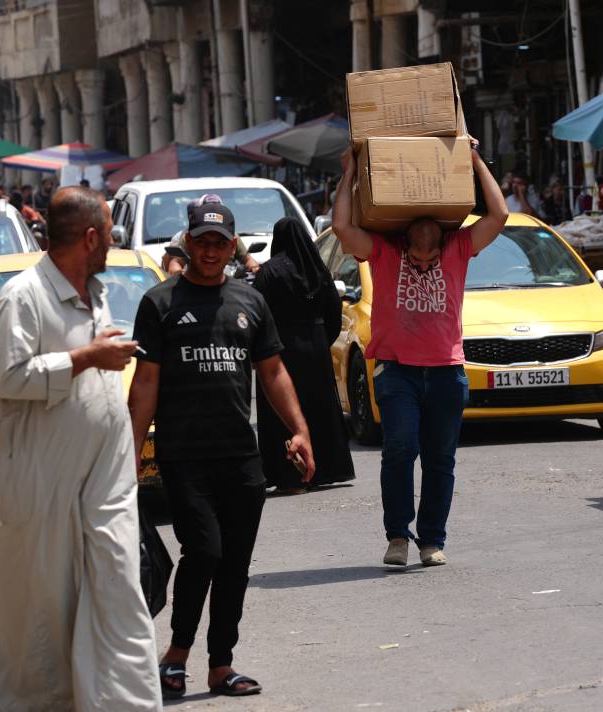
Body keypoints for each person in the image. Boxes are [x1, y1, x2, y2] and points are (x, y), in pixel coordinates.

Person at [0, 187, 161, 711]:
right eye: (111, 235)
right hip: (41, 493)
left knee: (118, 597)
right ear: (91, 236)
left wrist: (97, 354)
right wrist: (87, 357)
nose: (114, 244)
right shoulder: (23, 296)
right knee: (45, 621)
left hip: (101, 487)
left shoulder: (95, 292)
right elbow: (9, 375)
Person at [129, 201, 315, 699]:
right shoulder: (160, 303)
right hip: (184, 454)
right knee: (204, 550)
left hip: (241, 455)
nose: (211, 250)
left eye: (220, 242)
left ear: (233, 247)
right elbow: (145, 384)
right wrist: (127, 452)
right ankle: (176, 653)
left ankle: (220, 665)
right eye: (202, 241)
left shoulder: (249, 303)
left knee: (234, 562)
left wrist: (299, 429)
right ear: (188, 244)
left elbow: (273, 372)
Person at [332, 139, 508, 567]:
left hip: (447, 371)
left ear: (442, 243)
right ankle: (397, 536)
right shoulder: (385, 252)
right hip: (397, 372)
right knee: (398, 450)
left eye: (432, 258)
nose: (426, 264)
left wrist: (472, 160)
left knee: (440, 459)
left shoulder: (460, 248)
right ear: (405, 241)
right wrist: (350, 170)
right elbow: (341, 227)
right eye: (419, 256)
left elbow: (499, 214)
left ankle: (432, 540)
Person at [254, 217, 354, 494]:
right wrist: (321, 340)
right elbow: (334, 312)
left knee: (283, 411)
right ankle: (323, 471)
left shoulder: (270, 272)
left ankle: (290, 476)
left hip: (280, 352)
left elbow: (257, 312)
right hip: (316, 349)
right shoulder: (319, 270)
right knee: (319, 409)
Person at [161, 195, 259, 276]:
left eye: (221, 244)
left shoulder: (247, 297)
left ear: (232, 245)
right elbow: (176, 264)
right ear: (188, 241)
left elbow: (248, 259)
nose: (210, 253)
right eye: (201, 242)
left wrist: (255, 270)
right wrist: (180, 275)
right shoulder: (187, 235)